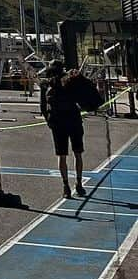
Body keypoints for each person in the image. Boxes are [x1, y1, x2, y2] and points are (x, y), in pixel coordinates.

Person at [40, 60, 89, 198]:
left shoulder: (47, 84)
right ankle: (79, 184)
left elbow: (43, 106)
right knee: (78, 153)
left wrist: (48, 121)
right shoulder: (69, 81)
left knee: (62, 156)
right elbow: (81, 98)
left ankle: (65, 185)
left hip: (58, 123)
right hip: (73, 120)